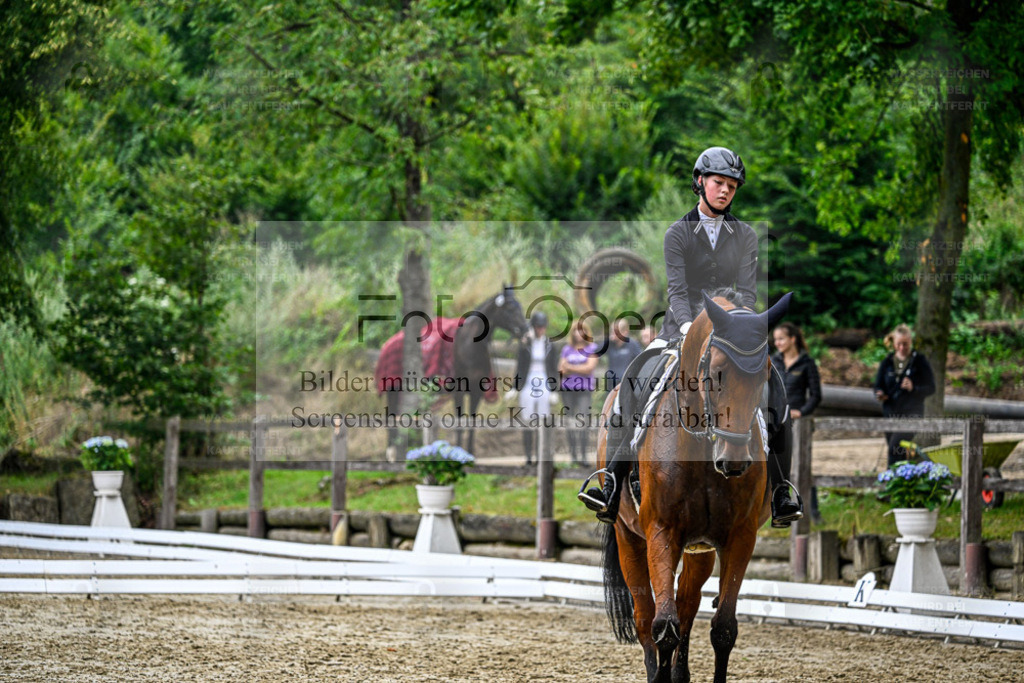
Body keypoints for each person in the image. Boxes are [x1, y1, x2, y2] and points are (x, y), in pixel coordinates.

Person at [579, 146, 803, 527]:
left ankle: (780, 488)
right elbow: (678, 293)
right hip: (681, 330)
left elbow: (747, 295)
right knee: (634, 380)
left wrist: (739, 325)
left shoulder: (746, 235)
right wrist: (689, 328)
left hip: (733, 335)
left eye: (732, 186)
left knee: (775, 390)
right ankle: (612, 481)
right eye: (719, 183)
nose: (725, 191)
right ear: (700, 182)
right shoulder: (677, 233)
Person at [771, 322, 822, 521]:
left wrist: (801, 412)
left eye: (781, 339)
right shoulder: (773, 361)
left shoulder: (807, 363)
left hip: (798, 423)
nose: (778, 343)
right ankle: (780, 507)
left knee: (802, 465)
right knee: (780, 465)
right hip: (777, 423)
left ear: (793, 339)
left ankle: (813, 512)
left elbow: (816, 395)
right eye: (775, 340)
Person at [873, 324, 936, 467]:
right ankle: (904, 484)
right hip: (891, 413)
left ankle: (891, 482)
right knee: (898, 451)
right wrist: (880, 394)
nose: (902, 348)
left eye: (905, 344)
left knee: (895, 449)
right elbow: (878, 385)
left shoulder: (919, 361)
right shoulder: (887, 362)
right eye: (899, 344)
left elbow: (931, 388)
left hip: (911, 413)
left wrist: (914, 388)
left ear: (911, 343)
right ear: (894, 344)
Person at [511, 311, 559, 465]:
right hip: (528, 381)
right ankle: (528, 456)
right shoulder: (526, 345)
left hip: (544, 380)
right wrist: (514, 387)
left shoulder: (550, 346)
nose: (540, 330)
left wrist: (554, 389)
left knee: (542, 419)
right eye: (537, 327)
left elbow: (553, 368)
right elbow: (520, 367)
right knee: (527, 418)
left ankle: (541, 455)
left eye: (542, 327)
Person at [559, 319, 599, 465]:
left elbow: (589, 368)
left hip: (584, 390)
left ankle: (583, 455)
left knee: (583, 421)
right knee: (570, 422)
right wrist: (574, 368)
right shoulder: (566, 349)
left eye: (581, 330)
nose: (578, 333)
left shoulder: (592, 348)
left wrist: (570, 367)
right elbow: (561, 370)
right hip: (567, 389)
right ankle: (573, 455)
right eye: (575, 330)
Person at [602, 318, 643, 394]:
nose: (613, 335)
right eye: (612, 332)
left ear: (625, 332)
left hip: (627, 384)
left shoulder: (633, 344)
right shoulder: (610, 344)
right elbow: (596, 351)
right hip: (611, 384)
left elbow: (642, 360)